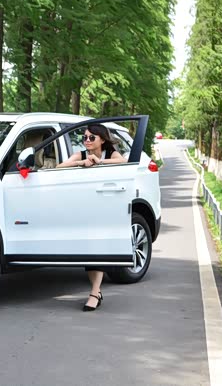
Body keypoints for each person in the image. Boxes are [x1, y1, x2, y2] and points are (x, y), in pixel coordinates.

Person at [57, 124, 127, 311]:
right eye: (85, 137)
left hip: (106, 206)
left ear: (102, 139)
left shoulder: (111, 153)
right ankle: (96, 291)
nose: (87, 141)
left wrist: (99, 161)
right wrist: (80, 163)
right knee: (89, 250)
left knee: (98, 248)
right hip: (86, 208)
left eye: (91, 137)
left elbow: (123, 162)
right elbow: (59, 166)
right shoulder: (80, 155)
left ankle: (94, 293)